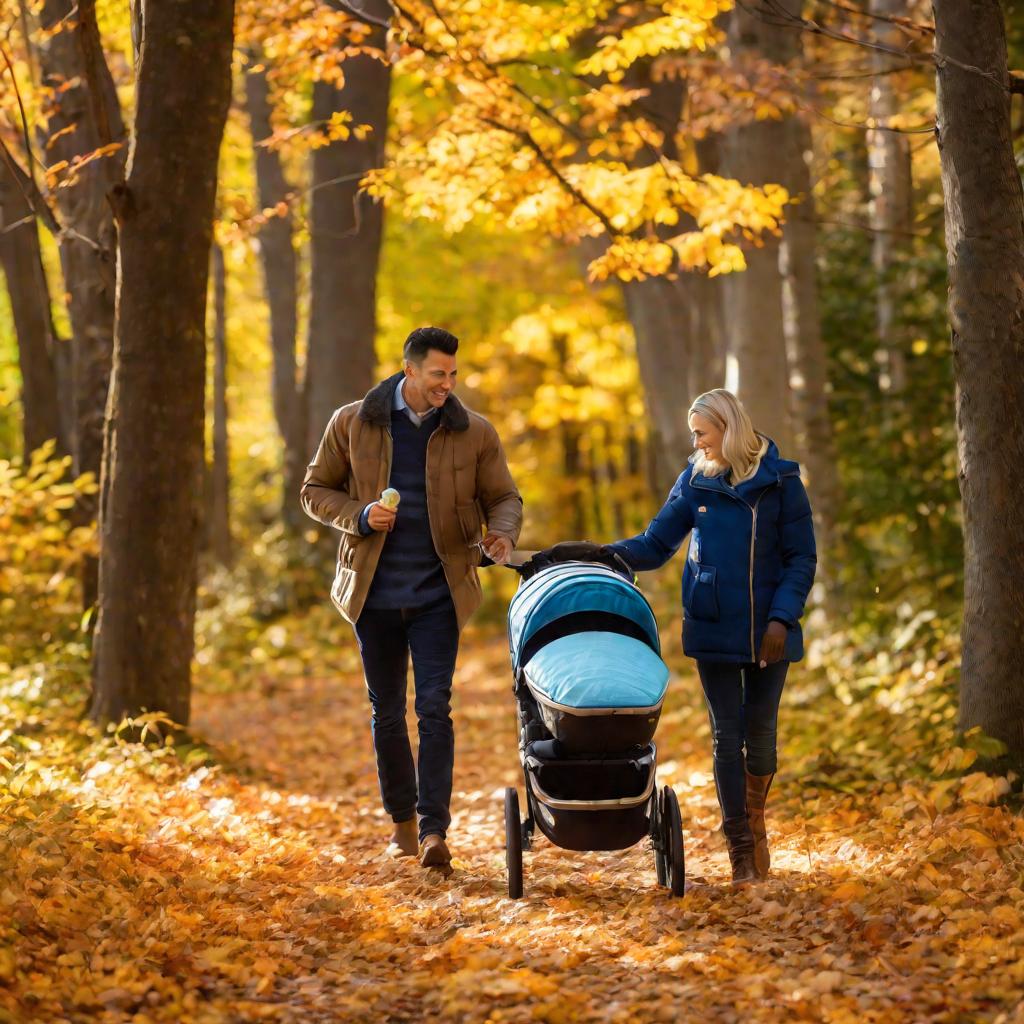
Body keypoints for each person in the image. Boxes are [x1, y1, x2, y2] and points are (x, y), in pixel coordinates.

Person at [300, 326, 523, 871]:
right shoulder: (353, 422)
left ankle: (432, 831)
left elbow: (505, 497)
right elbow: (314, 491)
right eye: (436, 374)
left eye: (452, 374)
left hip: (439, 594)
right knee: (387, 713)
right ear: (409, 372)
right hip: (371, 593)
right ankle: (401, 823)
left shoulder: (475, 432)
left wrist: (502, 536)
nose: (447, 384)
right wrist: (358, 515)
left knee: (434, 709)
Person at [606, 389, 816, 885]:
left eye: (702, 432)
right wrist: (598, 553)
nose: (696, 442)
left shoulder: (783, 482)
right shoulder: (695, 482)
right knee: (727, 737)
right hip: (713, 624)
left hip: (770, 629)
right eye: (694, 433)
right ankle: (740, 846)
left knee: (761, 737)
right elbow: (656, 545)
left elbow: (800, 558)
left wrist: (781, 621)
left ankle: (755, 819)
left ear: (728, 428)